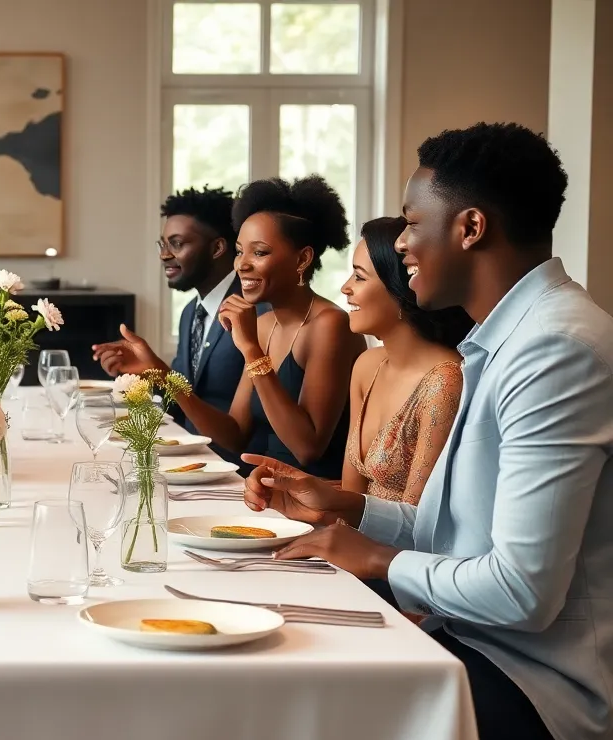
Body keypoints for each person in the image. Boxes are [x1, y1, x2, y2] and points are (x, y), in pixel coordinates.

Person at [247, 123, 613, 740]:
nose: (404, 241)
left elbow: (521, 592)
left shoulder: (555, 349)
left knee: (287, 710)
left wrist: (379, 560)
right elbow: (468, 533)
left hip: (539, 686)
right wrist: (347, 508)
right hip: (477, 643)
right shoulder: (508, 338)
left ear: (470, 228)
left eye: (413, 223)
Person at [170, 175, 364, 478]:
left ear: (302, 259)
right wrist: (164, 377)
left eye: (259, 252)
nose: (241, 265)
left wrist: (250, 350)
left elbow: (307, 447)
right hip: (264, 489)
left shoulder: (330, 325)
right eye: (239, 251)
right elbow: (235, 435)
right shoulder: (263, 324)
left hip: (315, 499)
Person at [91, 186, 255, 463]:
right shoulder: (192, 312)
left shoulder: (252, 312)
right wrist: (148, 374)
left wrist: (163, 374)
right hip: (192, 459)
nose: (164, 255)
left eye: (177, 244)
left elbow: (240, 433)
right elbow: (184, 401)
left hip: (238, 470)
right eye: (163, 244)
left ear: (217, 248)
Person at [340, 216, 473, 504]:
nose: (345, 288)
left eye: (359, 277)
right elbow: (349, 495)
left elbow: (417, 516)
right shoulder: (367, 366)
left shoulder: (444, 381)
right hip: (355, 539)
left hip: (402, 547)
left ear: (401, 291)